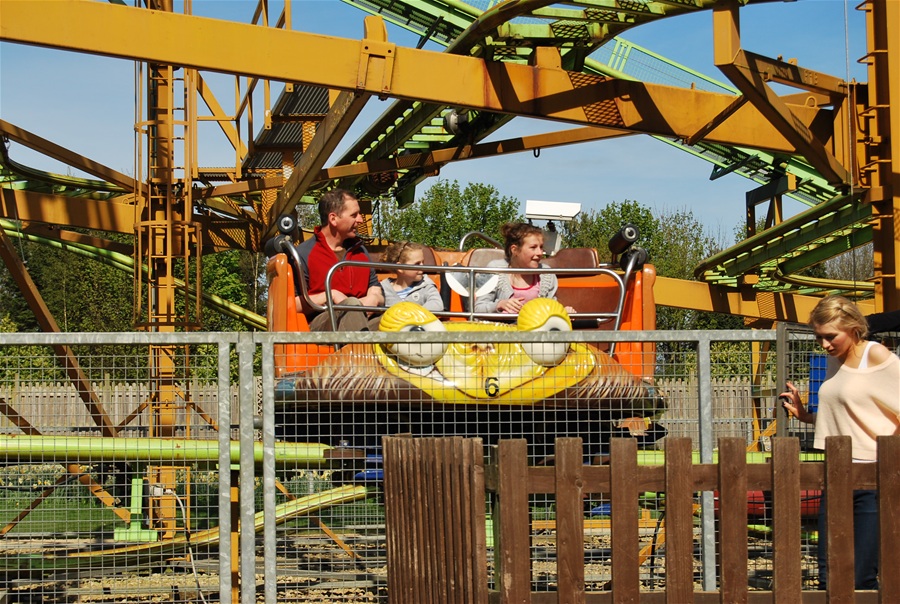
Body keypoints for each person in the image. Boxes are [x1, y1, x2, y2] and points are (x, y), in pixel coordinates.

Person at [780, 295, 900, 590]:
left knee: (861, 577)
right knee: (828, 575)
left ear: (853, 327)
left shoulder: (877, 355)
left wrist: (891, 464)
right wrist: (805, 415)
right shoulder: (836, 360)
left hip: (872, 477)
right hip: (834, 474)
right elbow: (849, 415)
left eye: (830, 336)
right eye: (819, 337)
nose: (824, 345)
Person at [296, 188, 384, 331]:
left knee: (398, 319)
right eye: (354, 215)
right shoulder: (304, 254)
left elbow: (376, 289)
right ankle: (362, 351)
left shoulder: (360, 251)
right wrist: (331, 295)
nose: (360, 220)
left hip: (363, 319)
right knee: (351, 306)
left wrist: (374, 298)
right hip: (324, 323)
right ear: (333, 219)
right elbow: (292, 305)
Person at [473, 222, 575, 315]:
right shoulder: (495, 270)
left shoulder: (546, 273)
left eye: (541, 247)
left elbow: (552, 308)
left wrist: (563, 311)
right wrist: (500, 304)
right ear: (515, 250)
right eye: (533, 247)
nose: (540, 253)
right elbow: (478, 308)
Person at [379, 241, 444, 312]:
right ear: (400, 267)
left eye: (423, 262)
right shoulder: (384, 288)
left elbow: (437, 305)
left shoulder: (426, 285)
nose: (422, 266)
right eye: (417, 264)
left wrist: (411, 314)